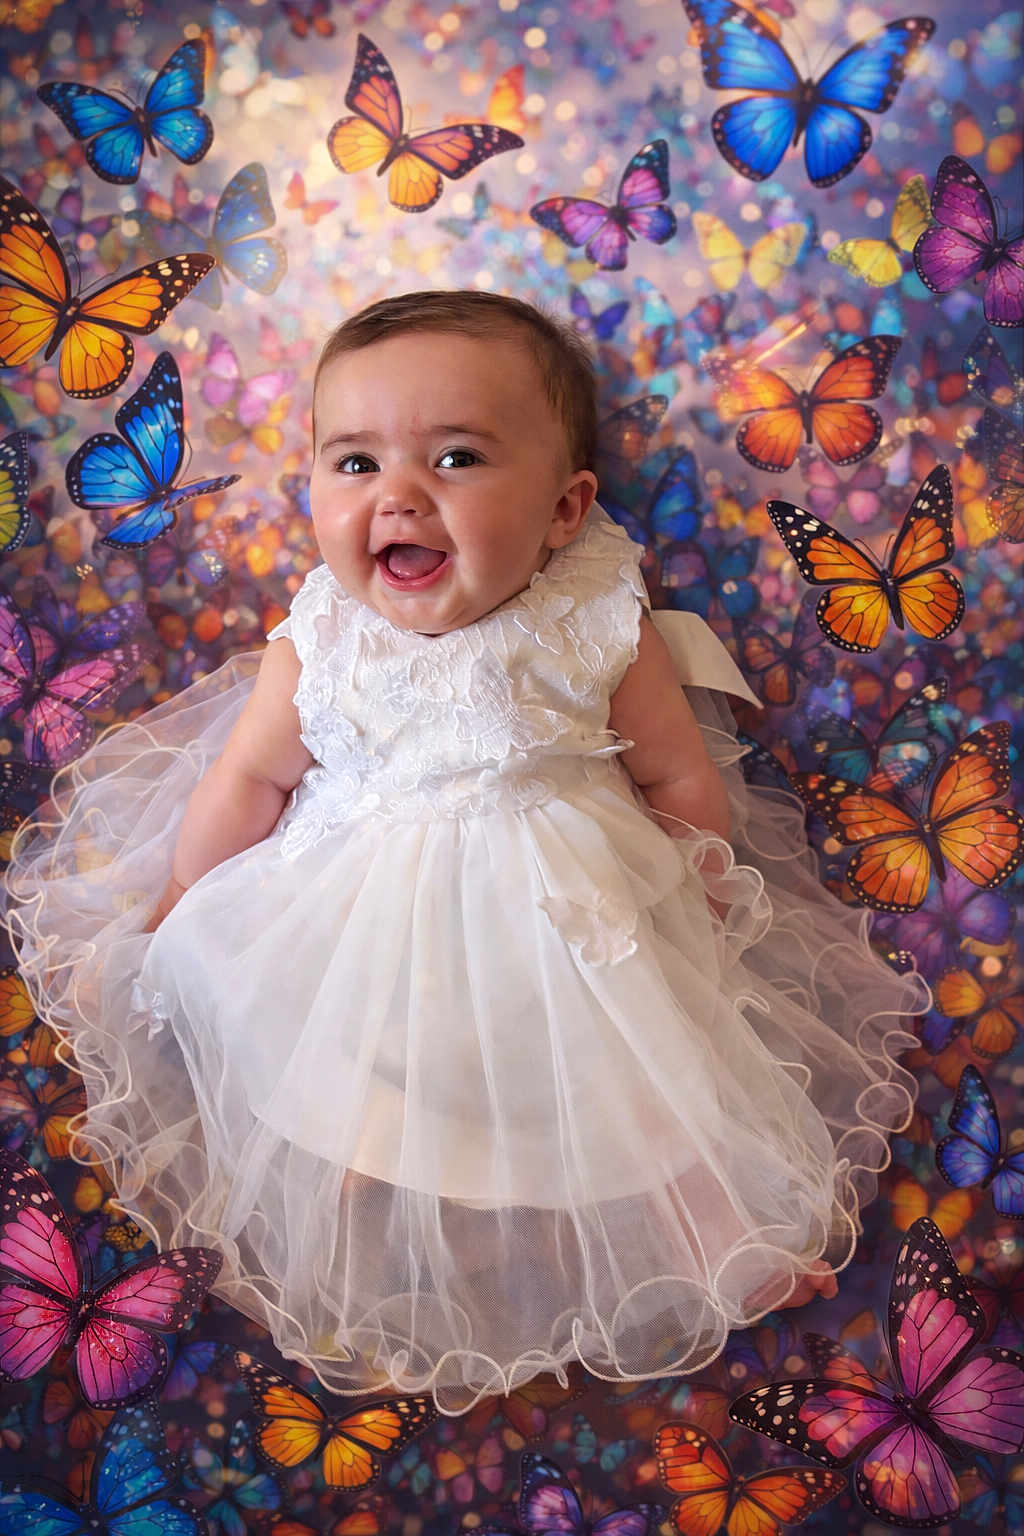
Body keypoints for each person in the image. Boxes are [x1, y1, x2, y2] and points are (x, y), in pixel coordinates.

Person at [3, 290, 928, 1415]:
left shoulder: (596, 622)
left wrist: (700, 866)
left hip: (563, 920)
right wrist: (176, 903)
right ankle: (365, 1266)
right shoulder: (320, 641)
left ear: (560, 508)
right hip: (360, 925)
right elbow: (250, 779)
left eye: (455, 458)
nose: (399, 496)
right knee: (343, 1088)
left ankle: (714, 1229)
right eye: (353, 464)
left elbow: (675, 770)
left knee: (649, 1079)